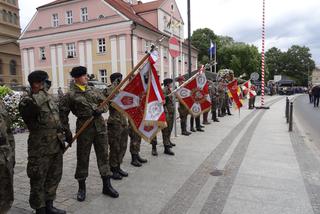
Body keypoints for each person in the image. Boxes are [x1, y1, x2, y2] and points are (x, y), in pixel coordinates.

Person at [59, 66, 119, 202]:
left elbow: (105, 102)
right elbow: (62, 115)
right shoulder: (70, 95)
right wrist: (67, 133)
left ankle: (107, 185)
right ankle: (81, 188)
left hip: (100, 127)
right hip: (84, 128)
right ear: (76, 78)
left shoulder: (93, 90)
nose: (87, 77)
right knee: (82, 157)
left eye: (86, 75)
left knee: (104, 154)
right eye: (84, 75)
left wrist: (100, 110)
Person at [19, 70, 66, 214]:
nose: (48, 85)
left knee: (54, 176)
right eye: (45, 82)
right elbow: (30, 111)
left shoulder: (49, 99)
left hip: (55, 146)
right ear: (36, 83)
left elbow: (56, 119)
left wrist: (65, 134)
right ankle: (40, 209)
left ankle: (49, 205)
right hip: (39, 148)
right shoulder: (27, 101)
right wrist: (42, 92)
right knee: (38, 179)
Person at [105, 73, 129, 179]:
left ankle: (118, 166)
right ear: (115, 80)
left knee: (123, 146)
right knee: (115, 147)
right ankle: (113, 169)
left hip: (123, 122)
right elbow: (111, 100)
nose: (121, 81)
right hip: (115, 123)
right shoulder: (110, 90)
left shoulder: (120, 90)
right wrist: (114, 85)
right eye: (119, 79)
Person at [0, 100, 15, 214]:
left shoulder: (0, 102)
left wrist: (12, 153)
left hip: (4, 155)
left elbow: (8, 131)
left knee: (5, 192)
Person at [160, 78, 175, 155]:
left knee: (170, 128)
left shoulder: (169, 90)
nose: (172, 84)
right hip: (167, 113)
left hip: (171, 112)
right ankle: (166, 147)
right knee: (166, 130)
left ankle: (168, 141)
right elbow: (163, 100)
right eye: (171, 83)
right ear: (168, 83)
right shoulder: (164, 90)